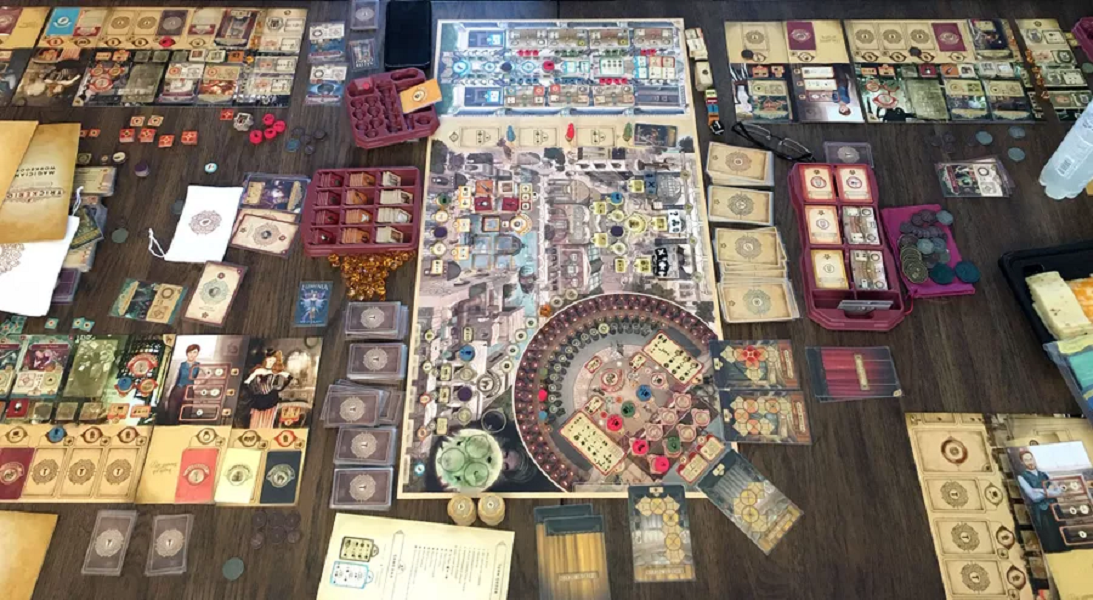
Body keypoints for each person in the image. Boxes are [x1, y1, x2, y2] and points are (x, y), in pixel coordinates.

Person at [1016, 450, 1067, 553]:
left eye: (1031, 459)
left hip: (1055, 508)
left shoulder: (1045, 474)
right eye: (1026, 460)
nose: (1030, 462)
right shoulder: (1021, 477)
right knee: (1049, 538)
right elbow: (1034, 497)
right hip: (1041, 511)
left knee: (1062, 535)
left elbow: (1059, 492)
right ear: (1022, 462)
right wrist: (1049, 491)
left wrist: (1040, 490)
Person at [243, 349, 292, 428]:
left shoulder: (278, 374)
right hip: (257, 402)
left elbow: (280, 386)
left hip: (270, 403)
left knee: (266, 424)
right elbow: (249, 384)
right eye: (269, 360)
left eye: (273, 361)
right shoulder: (257, 370)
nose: (270, 363)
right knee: (254, 424)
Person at [160, 344, 200, 425]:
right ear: (187, 353)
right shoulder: (181, 364)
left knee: (186, 415)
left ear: (197, 354)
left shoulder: (198, 365)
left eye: (194, 352)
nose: (192, 354)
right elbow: (174, 378)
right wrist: (169, 391)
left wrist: (197, 385)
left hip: (189, 391)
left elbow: (207, 374)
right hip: (178, 389)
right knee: (172, 413)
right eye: (190, 352)